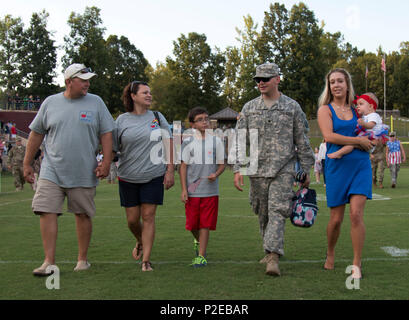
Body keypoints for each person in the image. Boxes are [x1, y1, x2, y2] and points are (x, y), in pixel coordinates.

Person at [23, 63, 114, 276]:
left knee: (82, 214)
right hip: (51, 169)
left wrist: (106, 162)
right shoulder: (50, 103)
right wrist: (27, 163)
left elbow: (107, 133)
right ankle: (48, 262)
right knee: (46, 210)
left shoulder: (96, 102)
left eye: (88, 80)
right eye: (83, 80)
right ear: (69, 82)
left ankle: (82, 260)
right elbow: (36, 134)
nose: (87, 84)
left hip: (84, 170)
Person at [233, 63, 314, 276]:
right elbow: (240, 139)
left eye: (265, 79)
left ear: (277, 79)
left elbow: (302, 140)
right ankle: (268, 249)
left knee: (278, 210)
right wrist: (237, 168)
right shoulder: (249, 108)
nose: (260, 82)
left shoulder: (292, 107)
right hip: (256, 169)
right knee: (262, 212)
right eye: (257, 79)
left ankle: (274, 257)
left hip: (284, 168)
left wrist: (306, 168)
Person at [317, 68, 373, 279]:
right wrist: (357, 141)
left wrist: (371, 138)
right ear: (329, 86)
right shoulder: (325, 110)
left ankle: (356, 263)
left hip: (360, 164)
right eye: (332, 82)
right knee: (336, 219)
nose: (336, 85)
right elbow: (329, 136)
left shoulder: (358, 109)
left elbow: (371, 129)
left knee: (356, 214)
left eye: (340, 81)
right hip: (336, 165)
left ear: (347, 84)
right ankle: (330, 253)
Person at [114, 80, 174, 272]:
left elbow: (168, 143)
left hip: (153, 175)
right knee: (132, 220)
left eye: (150, 92)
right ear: (133, 96)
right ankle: (140, 240)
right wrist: (104, 162)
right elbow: (114, 147)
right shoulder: (121, 120)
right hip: (128, 177)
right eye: (144, 93)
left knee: (148, 216)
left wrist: (170, 170)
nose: (149, 95)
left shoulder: (157, 117)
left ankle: (146, 261)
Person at [180, 107, 226, 267]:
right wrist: (184, 189)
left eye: (206, 118)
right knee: (192, 225)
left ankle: (201, 256)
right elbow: (183, 167)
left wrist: (216, 174)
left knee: (205, 224)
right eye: (200, 119)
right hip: (192, 191)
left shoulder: (217, 141)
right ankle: (198, 240)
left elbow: (222, 164)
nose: (205, 121)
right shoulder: (187, 142)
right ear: (192, 124)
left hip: (210, 191)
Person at [327, 92, 388, 159]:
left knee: (352, 144)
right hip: (367, 138)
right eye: (357, 104)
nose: (357, 106)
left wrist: (363, 124)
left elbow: (371, 125)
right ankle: (340, 152)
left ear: (370, 106)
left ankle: (339, 153)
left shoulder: (374, 115)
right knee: (352, 144)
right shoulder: (365, 116)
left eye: (361, 104)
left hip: (372, 138)